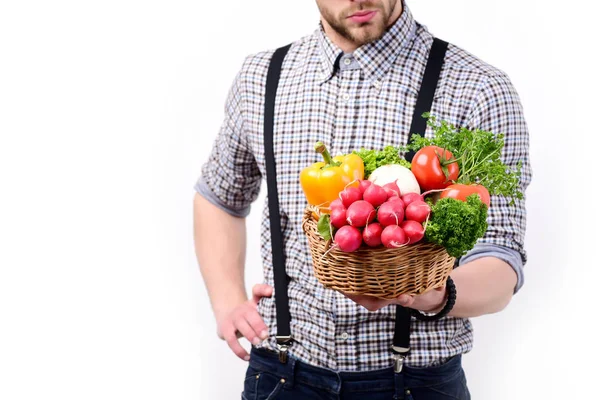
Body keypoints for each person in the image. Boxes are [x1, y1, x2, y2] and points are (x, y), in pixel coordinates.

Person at [193, 0, 531, 398]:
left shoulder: (478, 87)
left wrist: (431, 293)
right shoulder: (262, 77)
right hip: (281, 376)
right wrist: (227, 301)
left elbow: (502, 258)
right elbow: (219, 196)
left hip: (414, 382)